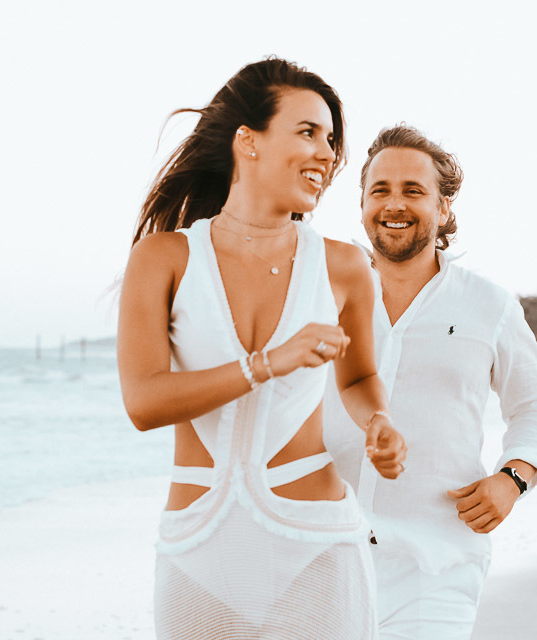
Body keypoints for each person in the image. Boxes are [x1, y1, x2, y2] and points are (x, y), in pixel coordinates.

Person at [116, 58, 406, 639]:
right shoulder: (164, 258)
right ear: (247, 141)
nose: (327, 153)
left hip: (316, 545)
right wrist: (266, 364)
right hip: (199, 551)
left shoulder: (345, 267)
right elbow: (144, 403)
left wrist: (378, 420)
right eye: (307, 132)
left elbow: (355, 378)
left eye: (331, 139)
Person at [323, 125, 537, 639]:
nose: (395, 204)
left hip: (434, 566)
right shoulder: (320, 293)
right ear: (363, 203)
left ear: (445, 207)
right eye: (380, 190)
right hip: (319, 559)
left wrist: (513, 478)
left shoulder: (488, 304)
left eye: (413, 190)